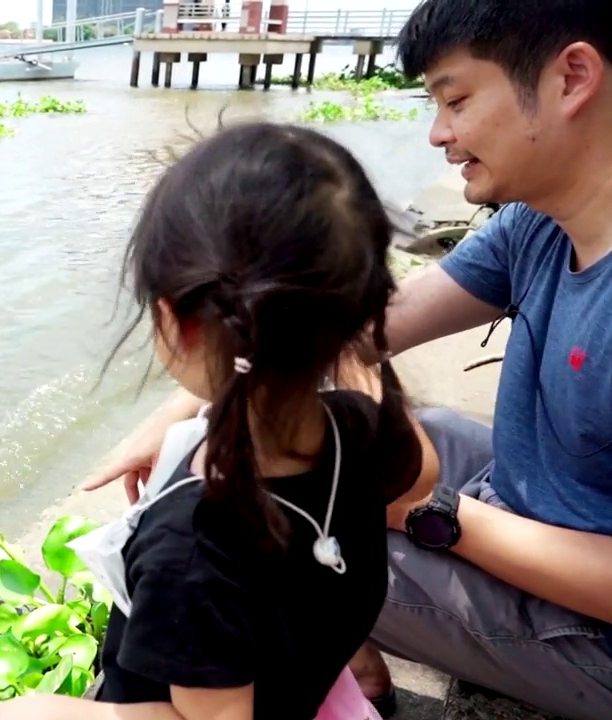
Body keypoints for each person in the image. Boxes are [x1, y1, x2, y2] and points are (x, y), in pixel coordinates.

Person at [86, 1, 612, 718]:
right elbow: (336, 326)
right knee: (353, 462)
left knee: (283, 546)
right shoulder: (540, 221)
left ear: (572, 77)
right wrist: (187, 415)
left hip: (594, 628)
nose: (439, 134)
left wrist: (433, 515)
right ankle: (350, 672)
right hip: (543, 502)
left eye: (456, 99)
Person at [0, 121, 430, 720]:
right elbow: (421, 475)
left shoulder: (192, 547)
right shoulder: (362, 426)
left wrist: (33, 712)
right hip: (306, 684)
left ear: (174, 319)